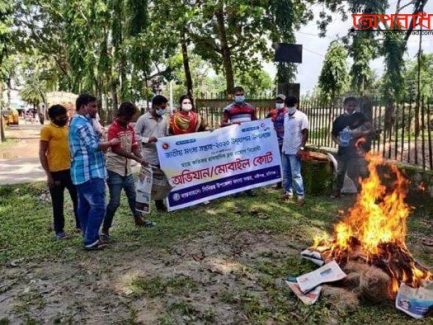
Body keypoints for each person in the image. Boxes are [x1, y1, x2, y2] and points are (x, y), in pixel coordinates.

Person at [69, 94, 120, 250]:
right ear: (84, 106)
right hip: (90, 172)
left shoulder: (79, 122)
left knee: (84, 206)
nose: (95, 109)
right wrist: (111, 142)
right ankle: (91, 239)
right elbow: (93, 146)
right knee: (98, 207)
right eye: (93, 106)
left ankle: (88, 235)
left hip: (81, 173)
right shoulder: (82, 124)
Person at [101, 102, 155, 241]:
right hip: (114, 169)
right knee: (115, 202)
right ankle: (105, 230)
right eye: (127, 118)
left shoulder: (130, 128)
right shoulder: (113, 128)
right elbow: (116, 149)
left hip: (127, 169)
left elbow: (134, 146)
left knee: (133, 197)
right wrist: (136, 158)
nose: (128, 121)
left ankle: (139, 219)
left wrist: (140, 157)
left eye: (130, 118)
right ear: (121, 115)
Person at [39, 104, 79, 239]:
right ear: (53, 117)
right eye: (61, 117)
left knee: (77, 199)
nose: (65, 118)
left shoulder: (68, 128)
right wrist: (48, 175)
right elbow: (42, 152)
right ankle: (59, 231)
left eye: (65, 116)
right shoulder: (47, 129)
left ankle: (80, 224)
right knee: (58, 203)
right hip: (55, 172)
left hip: (71, 171)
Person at [135, 95, 171, 212]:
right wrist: (147, 139)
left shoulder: (164, 119)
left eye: (165, 107)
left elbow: (166, 135)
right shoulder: (143, 119)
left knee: (161, 181)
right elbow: (135, 135)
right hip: (148, 155)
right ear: (155, 106)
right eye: (162, 107)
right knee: (146, 181)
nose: (163, 109)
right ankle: (141, 207)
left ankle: (160, 205)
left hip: (162, 155)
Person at [331, 97, 372, 198]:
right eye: (349, 105)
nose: (351, 107)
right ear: (344, 105)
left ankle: (362, 193)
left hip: (357, 151)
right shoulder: (339, 120)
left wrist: (360, 133)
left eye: (354, 105)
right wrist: (338, 142)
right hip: (343, 151)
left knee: (357, 172)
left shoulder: (360, 116)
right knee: (340, 172)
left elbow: (370, 129)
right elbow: (333, 134)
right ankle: (337, 192)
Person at [221, 86, 257, 196]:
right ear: (233, 96)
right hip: (235, 141)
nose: (240, 96)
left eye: (241, 94)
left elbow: (256, 122)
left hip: (248, 140)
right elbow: (223, 124)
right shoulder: (228, 109)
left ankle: (248, 188)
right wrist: (232, 124)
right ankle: (236, 188)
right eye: (238, 94)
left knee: (248, 163)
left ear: (244, 95)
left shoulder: (251, 108)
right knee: (236, 163)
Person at [281, 96, 309, 206]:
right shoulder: (285, 116)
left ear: (296, 104)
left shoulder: (302, 117)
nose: (289, 107)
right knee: (286, 173)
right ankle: (288, 193)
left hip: (295, 150)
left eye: (291, 105)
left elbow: (305, 133)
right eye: (288, 105)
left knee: (296, 174)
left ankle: (300, 196)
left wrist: (301, 148)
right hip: (285, 149)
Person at [267, 94, 287, 189]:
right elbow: (265, 123)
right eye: (277, 101)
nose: (279, 103)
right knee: (277, 163)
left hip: (286, 142)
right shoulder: (272, 112)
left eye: (281, 101)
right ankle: (279, 183)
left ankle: (287, 183)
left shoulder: (288, 112)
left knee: (285, 163)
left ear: (285, 102)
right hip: (274, 142)